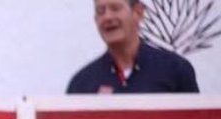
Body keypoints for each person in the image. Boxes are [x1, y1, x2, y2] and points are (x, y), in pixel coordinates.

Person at [67, 0, 198, 93]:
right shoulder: (82, 83)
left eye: (115, 8)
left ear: (138, 12)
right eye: (101, 11)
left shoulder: (175, 70)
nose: (107, 17)